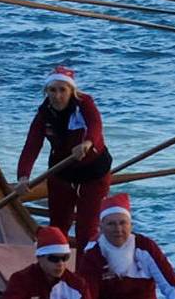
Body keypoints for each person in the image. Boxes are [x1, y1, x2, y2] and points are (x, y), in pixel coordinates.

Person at [17, 66, 114, 246]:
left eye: (63, 90)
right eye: (52, 90)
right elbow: (31, 146)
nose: (57, 96)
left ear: (72, 91)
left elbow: (95, 125)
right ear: (46, 92)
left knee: (87, 229)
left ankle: (84, 269)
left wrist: (87, 143)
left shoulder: (84, 103)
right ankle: (54, 266)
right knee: (58, 227)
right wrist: (23, 177)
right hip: (61, 172)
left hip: (94, 173)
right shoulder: (43, 114)